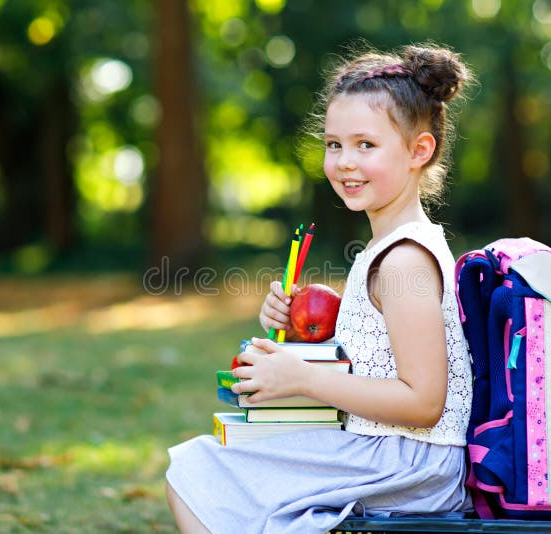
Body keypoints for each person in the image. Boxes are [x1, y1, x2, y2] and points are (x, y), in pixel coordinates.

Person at [165, 42, 475, 534]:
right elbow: (378, 358)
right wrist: (300, 333)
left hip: (410, 464)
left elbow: (423, 402)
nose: (344, 162)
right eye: (334, 144)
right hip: (390, 451)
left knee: (196, 469)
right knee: (222, 459)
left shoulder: (405, 261)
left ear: (420, 151)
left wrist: (303, 378)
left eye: (365, 145)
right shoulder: (391, 247)